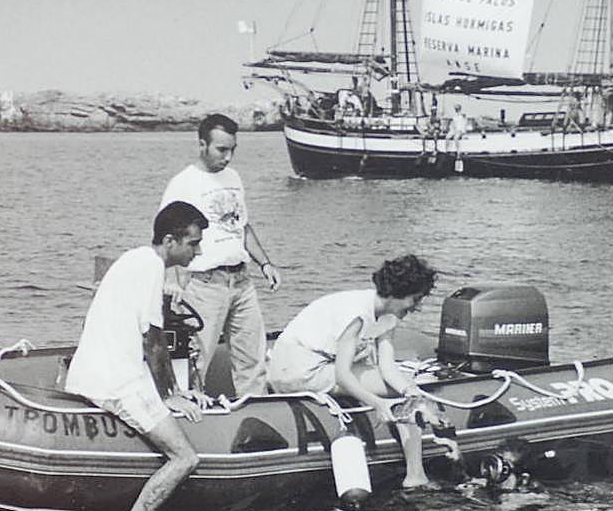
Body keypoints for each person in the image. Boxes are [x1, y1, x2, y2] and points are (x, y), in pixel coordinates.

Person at [64, 201, 209, 511]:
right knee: (185, 458)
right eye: (193, 243)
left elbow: (152, 340)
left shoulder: (133, 259)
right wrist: (170, 396)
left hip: (94, 374)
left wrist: (175, 390)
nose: (197, 252)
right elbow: (153, 340)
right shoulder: (151, 267)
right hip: (119, 382)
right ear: (170, 241)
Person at [266, 254, 439, 488]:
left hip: (317, 365)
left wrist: (413, 391)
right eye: (415, 299)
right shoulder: (357, 315)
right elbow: (343, 375)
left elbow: (387, 368)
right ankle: (415, 476)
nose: (416, 307)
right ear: (397, 292)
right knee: (394, 393)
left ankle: (415, 472)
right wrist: (377, 403)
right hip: (297, 369)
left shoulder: (388, 316)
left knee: (404, 390)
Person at [160, 113, 280, 398]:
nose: (228, 157)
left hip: (241, 281)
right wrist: (170, 280)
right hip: (204, 283)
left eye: (232, 150)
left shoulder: (233, 177)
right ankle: (189, 409)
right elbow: (165, 238)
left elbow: (242, 225)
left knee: (252, 358)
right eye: (221, 150)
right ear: (202, 145)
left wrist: (266, 263)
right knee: (196, 358)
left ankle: (257, 420)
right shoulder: (184, 183)